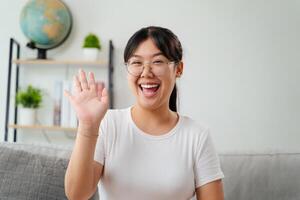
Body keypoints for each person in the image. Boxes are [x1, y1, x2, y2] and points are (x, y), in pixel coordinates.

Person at [64, 26, 224, 200]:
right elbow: (76, 195)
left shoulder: (197, 135)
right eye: (137, 63)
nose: (146, 73)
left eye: (157, 62)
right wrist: (88, 126)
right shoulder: (108, 123)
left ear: (178, 69)